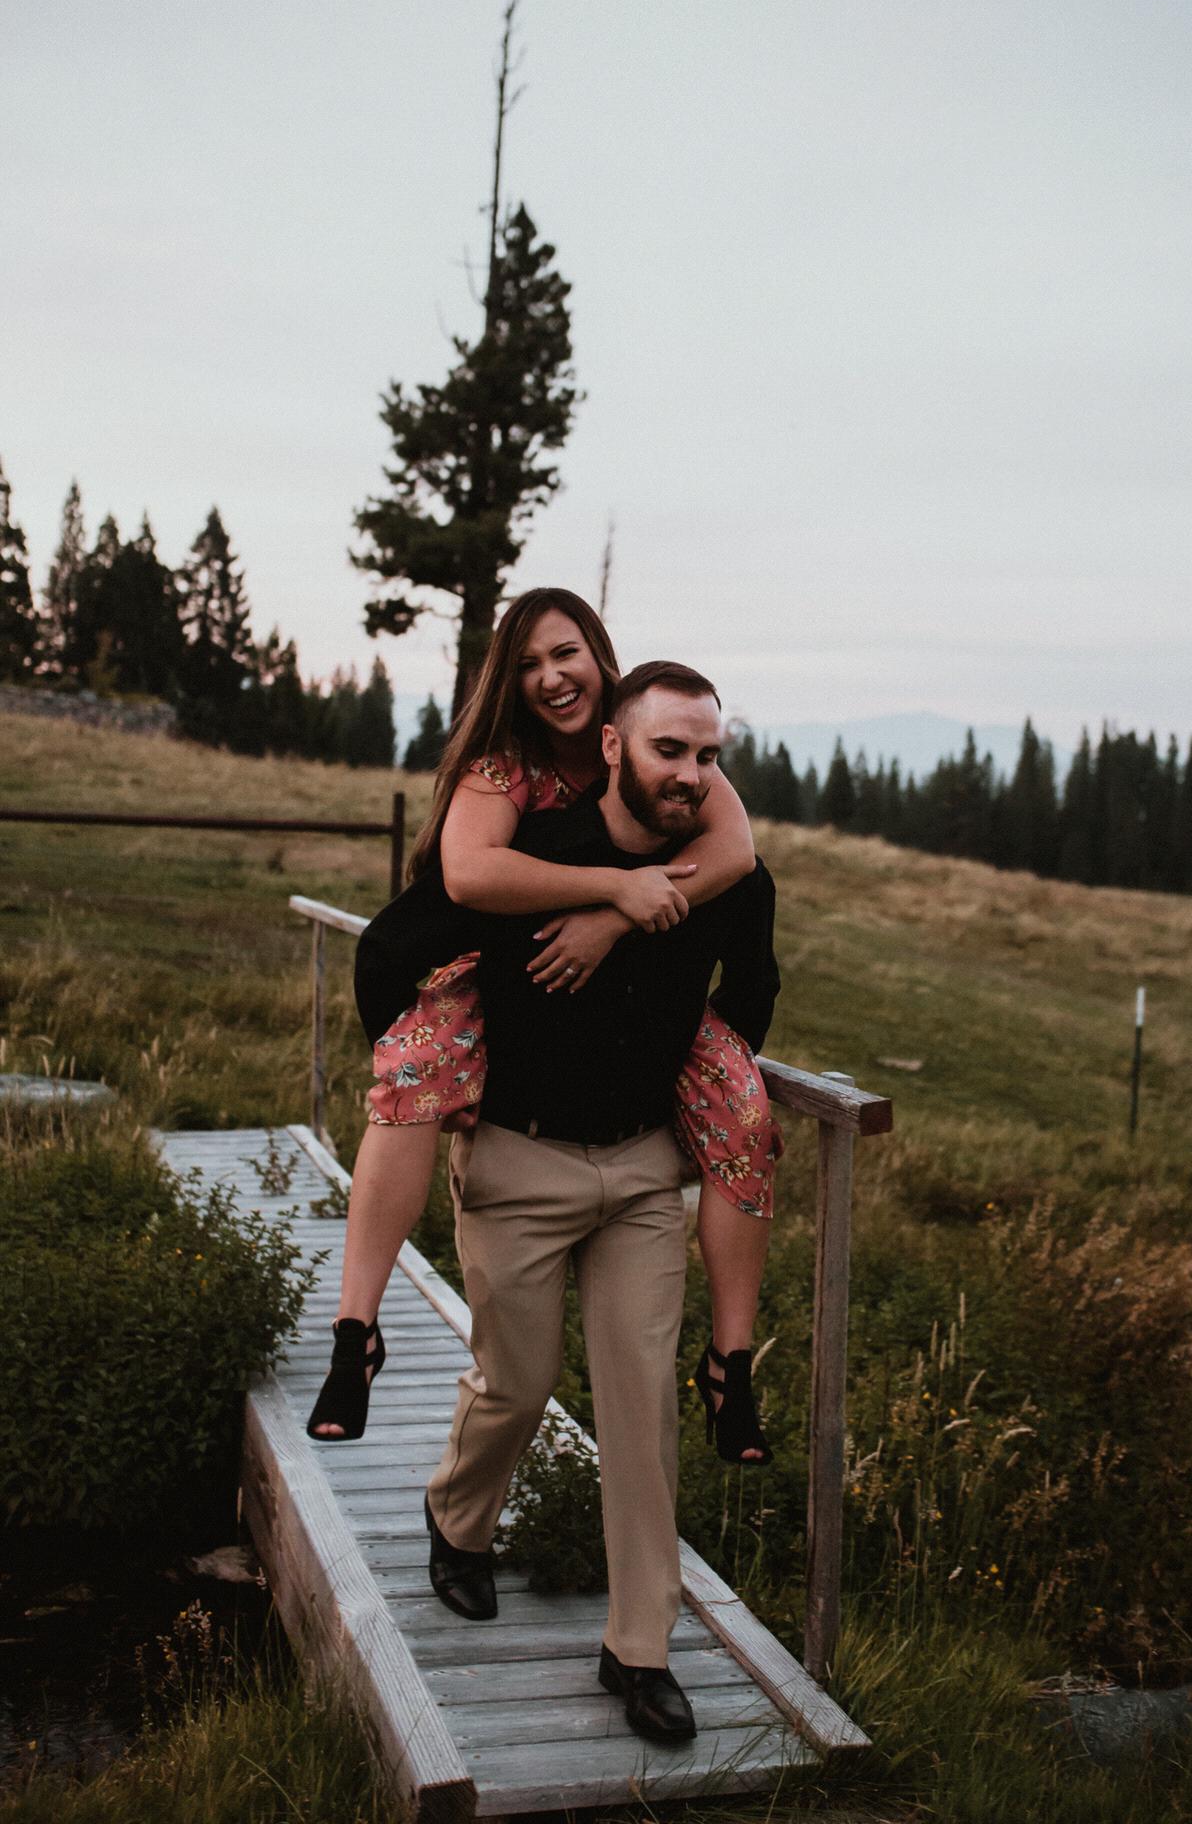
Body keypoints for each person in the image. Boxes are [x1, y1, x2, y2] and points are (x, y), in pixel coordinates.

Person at [307, 589, 781, 1464]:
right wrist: (613, 890)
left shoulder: (661, 739)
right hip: (501, 967)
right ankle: (355, 1330)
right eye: (527, 664)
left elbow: (735, 854)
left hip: (643, 985)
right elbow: (469, 876)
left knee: (745, 1110)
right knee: (412, 1072)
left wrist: (614, 924)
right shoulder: (504, 769)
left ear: (599, 655)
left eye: (565, 653)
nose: (551, 677)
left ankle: (731, 1363)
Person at [423, 662, 780, 1742]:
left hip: (640, 1175)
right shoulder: (537, 853)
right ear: (615, 747)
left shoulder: (724, 876)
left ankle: (639, 1645)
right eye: (670, 749)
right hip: (518, 1161)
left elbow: (751, 989)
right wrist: (591, 904)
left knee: (639, 1402)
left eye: (708, 755)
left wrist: (694, 1072)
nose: (690, 773)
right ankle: (457, 1517)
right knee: (518, 1380)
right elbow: (430, 942)